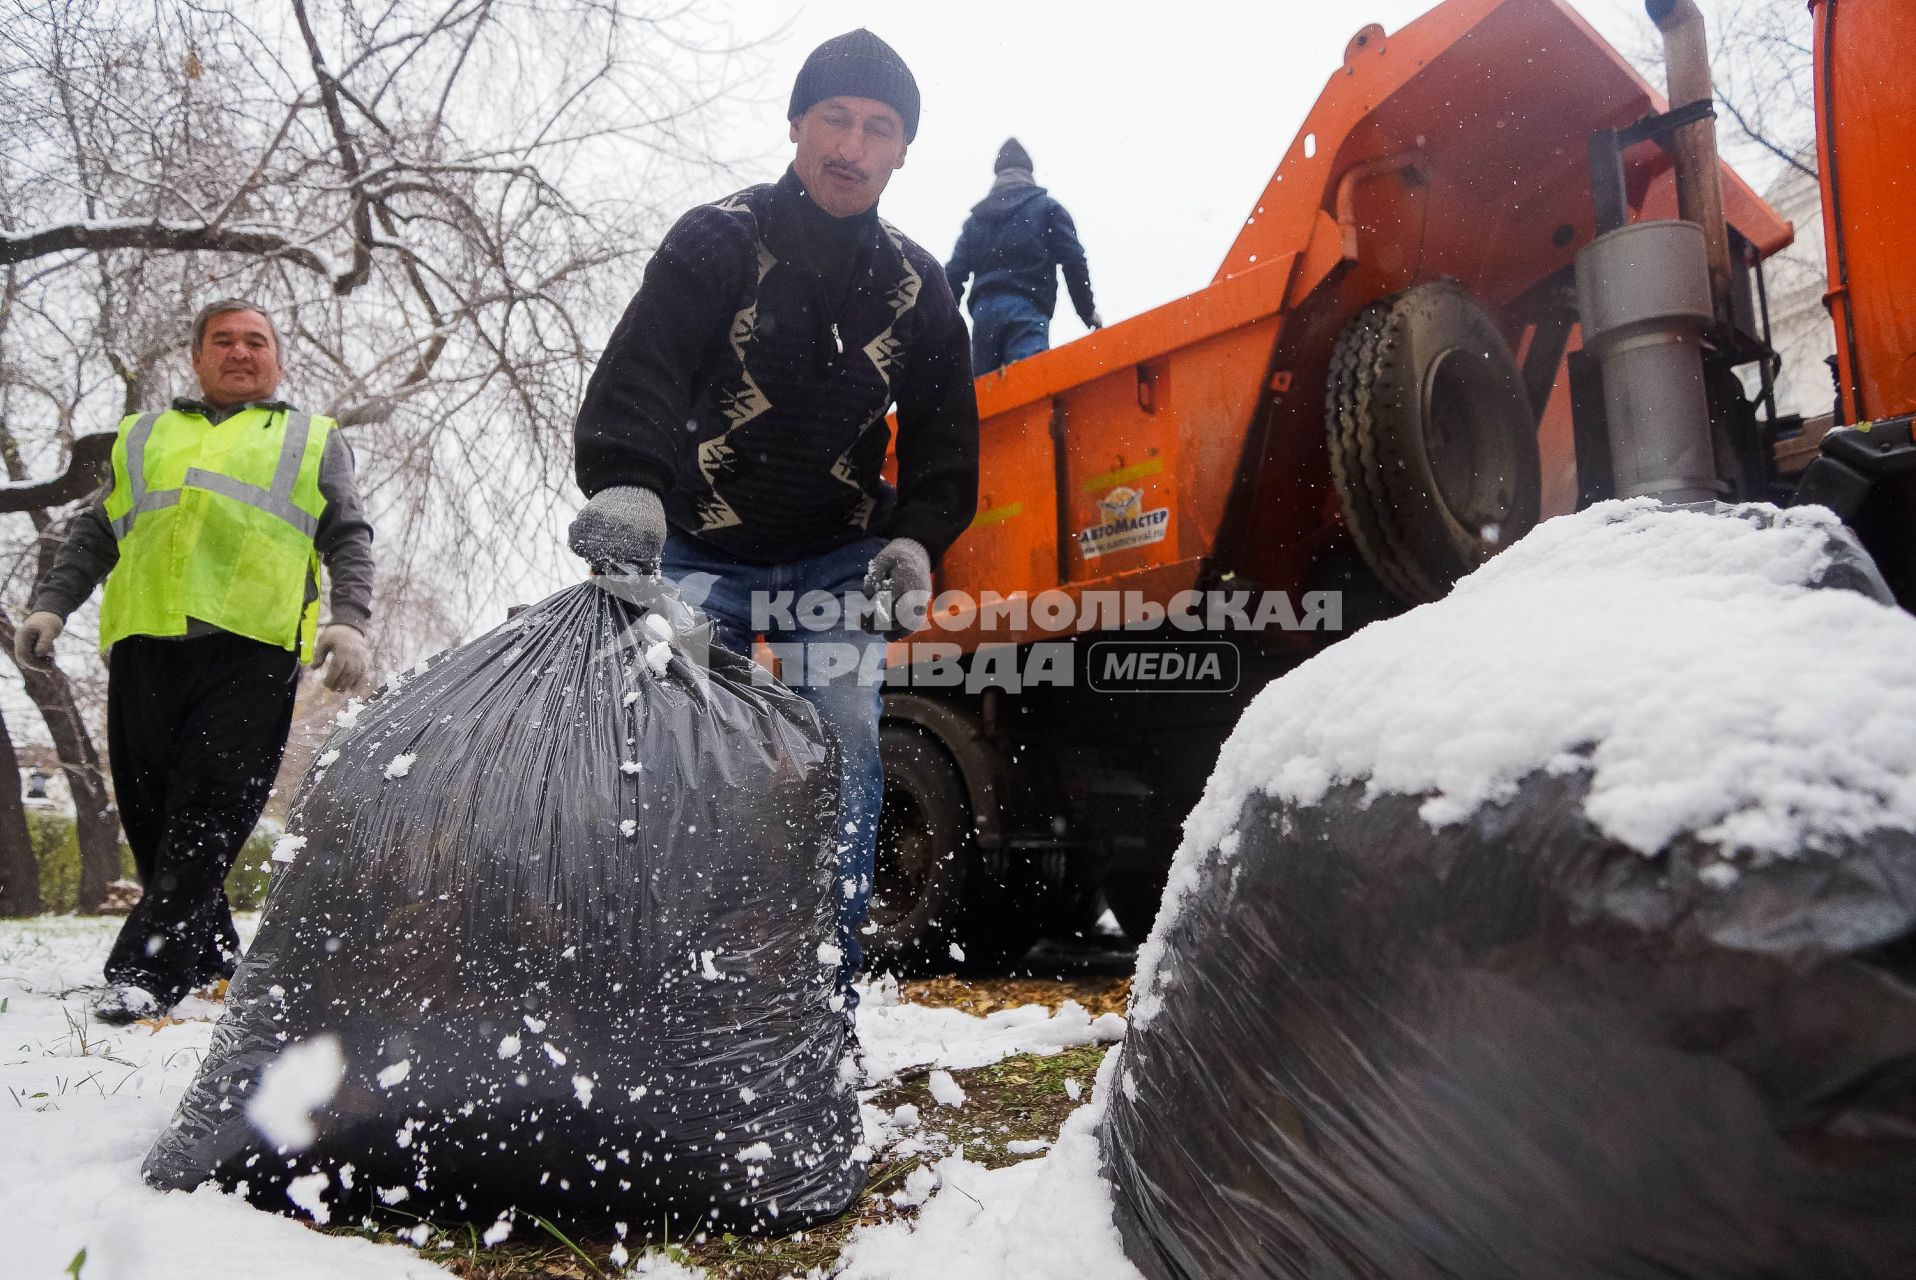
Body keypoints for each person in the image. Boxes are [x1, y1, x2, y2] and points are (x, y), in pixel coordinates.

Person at [569, 29, 978, 1018]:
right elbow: (645, 371)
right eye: (832, 117)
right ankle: (649, 976)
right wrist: (627, 482)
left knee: (837, 739)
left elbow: (944, 446)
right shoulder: (716, 240)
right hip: (702, 544)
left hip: (834, 560)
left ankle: (812, 992)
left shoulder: (921, 292)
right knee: (661, 738)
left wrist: (915, 538)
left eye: (877, 127)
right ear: (795, 125)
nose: (850, 143)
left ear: (901, 151)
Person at [16, 300, 375, 1025]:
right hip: (145, 641)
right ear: (196, 356)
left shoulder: (311, 439)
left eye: (256, 342)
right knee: (151, 813)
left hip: (253, 644)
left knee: (212, 803)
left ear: (277, 359)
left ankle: (146, 969)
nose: (240, 353)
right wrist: (53, 604)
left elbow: (350, 535)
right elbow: (95, 533)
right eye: (223, 341)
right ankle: (210, 957)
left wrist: (348, 622)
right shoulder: (143, 436)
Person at [945, 137, 1102, 374]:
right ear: (1029, 172)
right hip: (1026, 307)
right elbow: (1073, 261)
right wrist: (1087, 311)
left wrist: (942, 325)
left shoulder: (976, 221)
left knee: (983, 399)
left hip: (984, 314)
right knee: (1029, 384)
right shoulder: (1047, 209)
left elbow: (954, 274)